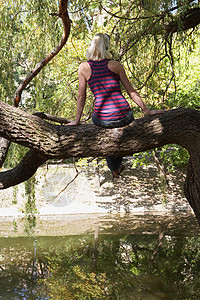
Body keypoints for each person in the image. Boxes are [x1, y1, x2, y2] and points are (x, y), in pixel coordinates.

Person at [67, 33, 165, 178]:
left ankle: (115, 168)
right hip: (124, 116)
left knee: (108, 135)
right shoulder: (116, 65)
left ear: (92, 46)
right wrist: (147, 110)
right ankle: (116, 166)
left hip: (102, 119)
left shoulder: (83, 67)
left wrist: (76, 120)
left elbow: (81, 96)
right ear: (106, 47)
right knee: (116, 133)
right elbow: (131, 91)